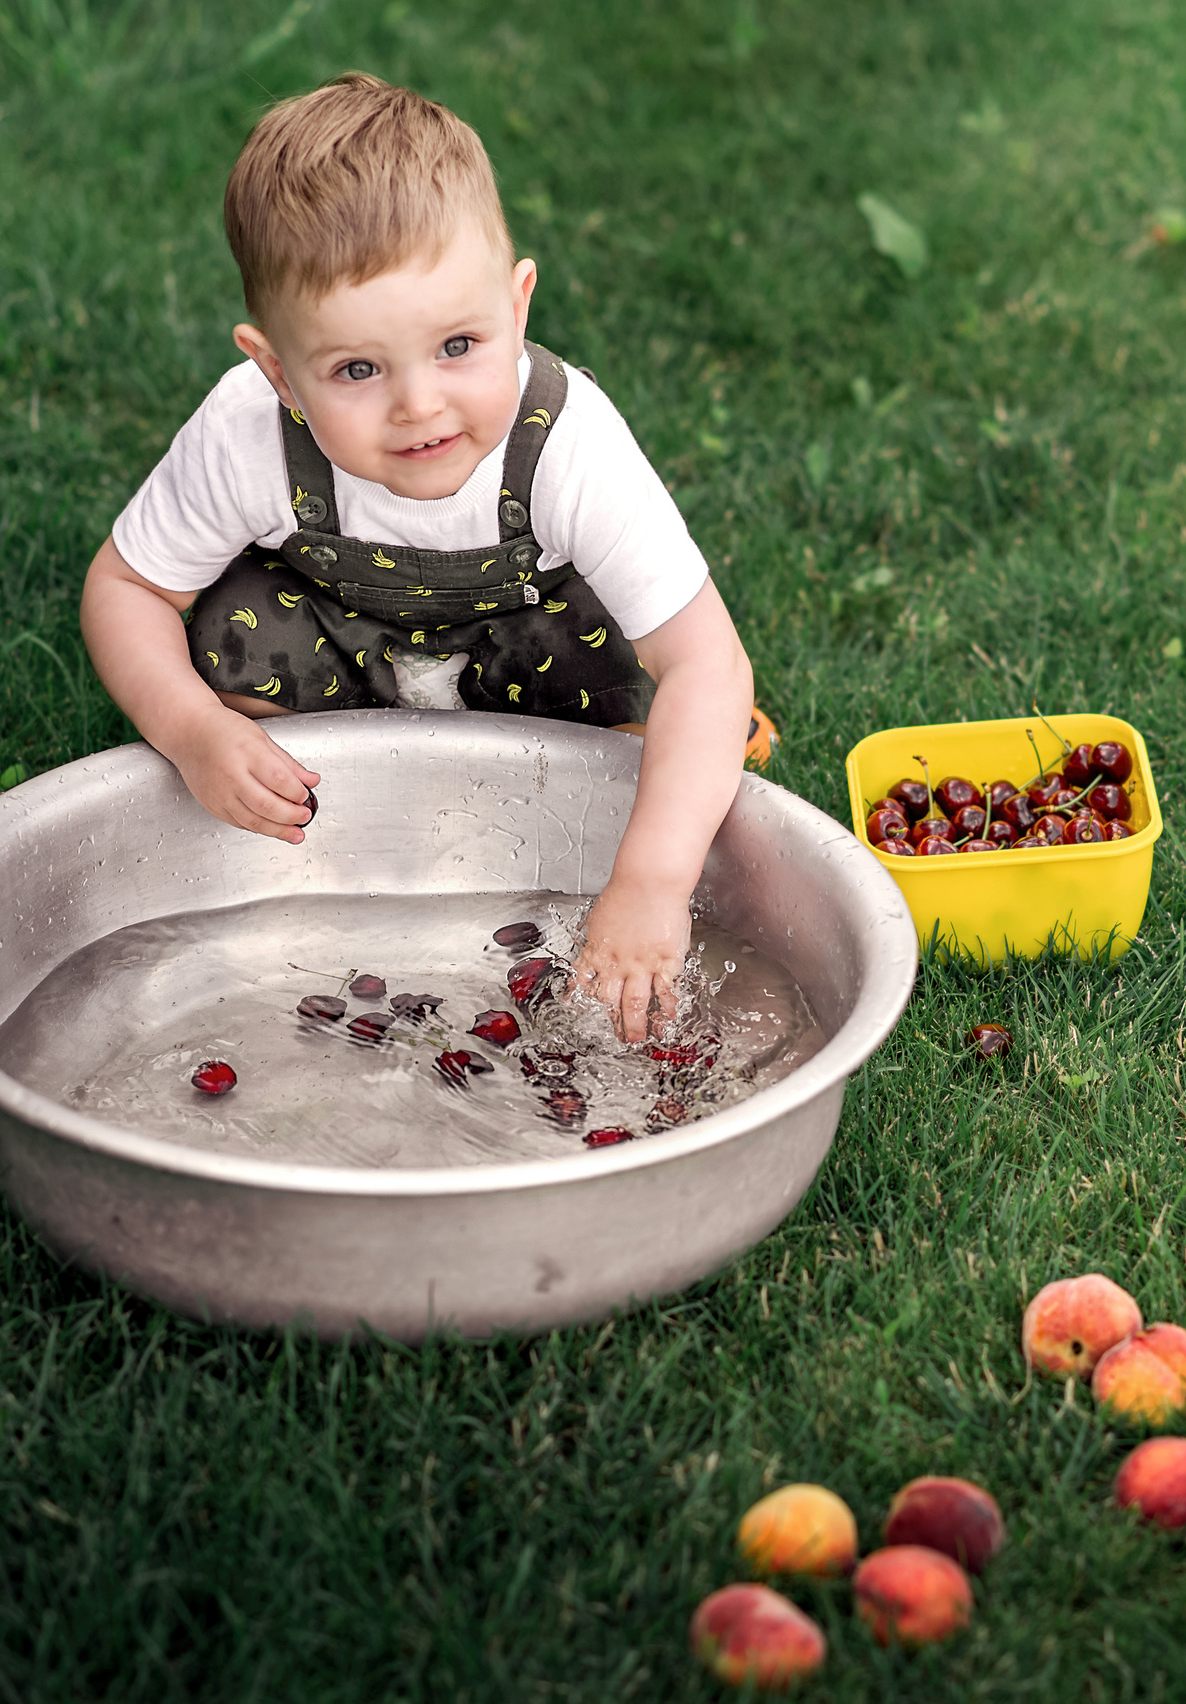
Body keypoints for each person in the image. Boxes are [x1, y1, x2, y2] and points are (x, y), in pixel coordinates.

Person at [80, 72, 759, 1044]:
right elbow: (127, 586)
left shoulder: (567, 444)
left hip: (526, 652)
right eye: (357, 369)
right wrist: (189, 732)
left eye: (458, 344)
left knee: (632, 683)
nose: (419, 404)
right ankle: (310, 803)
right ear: (275, 370)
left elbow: (707, 661)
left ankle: (582, 789)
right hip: (336, 647)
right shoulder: (247, 433)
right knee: (230, 623)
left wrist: (652, 881)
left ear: (517, 308)